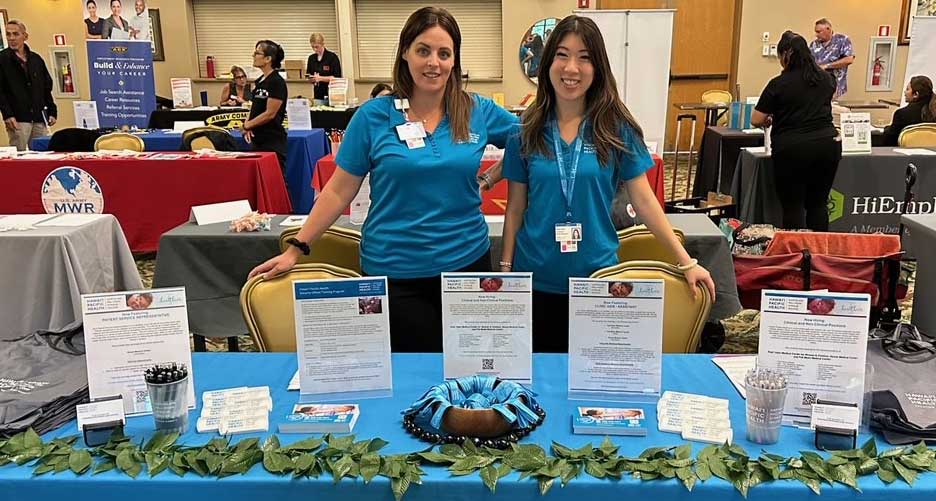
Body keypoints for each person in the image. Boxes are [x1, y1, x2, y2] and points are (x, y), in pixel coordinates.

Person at [249, 7, 518, 353]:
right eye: (423, 50)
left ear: (454, 61)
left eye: (444, 53)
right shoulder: (374, 117)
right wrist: (296, 248)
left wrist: (492, 177)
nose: (433, 62)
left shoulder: (477, 110)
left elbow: (532, 139)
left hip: (466, 266)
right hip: (395, 272)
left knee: (465, 375)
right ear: (405, 52)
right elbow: (338, 190)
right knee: (405, 381)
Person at [501, 15, 714, 353]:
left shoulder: (615, 128)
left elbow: (645, 202)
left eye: (584, 57)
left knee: (595, 383)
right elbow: (515, 209)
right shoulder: (523, 132)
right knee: (540, 385)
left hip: (598, 282)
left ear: (597, 67)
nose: (572, 67)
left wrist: (686, 262)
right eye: (562, 54)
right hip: (536, 282)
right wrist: (506, 272)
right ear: (547, 62)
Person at [752, 31, 840, 232]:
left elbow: (756, 119)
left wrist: (771, 118)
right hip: (828, 145)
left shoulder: (779, 84)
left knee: (793, 206)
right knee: (818, 204)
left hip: (793, 148)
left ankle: (799, 255)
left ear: (785, 55)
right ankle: (819, 254)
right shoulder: (826, 79)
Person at [0, 20, 57, 151]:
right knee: (18, 155)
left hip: (38, 117)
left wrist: (52, 111)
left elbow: (46, 87)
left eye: (16, 34)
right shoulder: (2, 59)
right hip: (18, 118)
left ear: (25, 36)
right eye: (8, 35)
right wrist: (7, 115)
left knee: (42, 154)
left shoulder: (36, 59)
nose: (12, 38)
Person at [242, 40, 288, 172]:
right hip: (258, 139)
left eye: (257, 53)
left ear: (268, 59)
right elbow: (254, 107)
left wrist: (247, 125)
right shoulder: (259, 81)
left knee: (275, 178)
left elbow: (270, 113)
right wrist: (248, 123)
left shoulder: (276, 82)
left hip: (272, 140)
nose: (253, 55)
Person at [882, 76, 935, 146]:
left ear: (916, 94)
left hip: (905, 156)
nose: (905, 92)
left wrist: (886, 129)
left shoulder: (901, 114)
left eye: (907, 89)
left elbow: (889, 141)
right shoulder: (933, 111)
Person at [809, 18, 854, 99]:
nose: (816, 35)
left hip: (836, 88)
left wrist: (827, 66)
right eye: (816, 32)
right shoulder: (814, 44)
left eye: (819, 32)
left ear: (828, 29)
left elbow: (849, 59)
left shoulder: (842, 40)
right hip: (818, 88)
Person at [306, 33, 342, 102]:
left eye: (317, 47)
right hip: (317, 94)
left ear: (322, 44)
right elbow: (309, 75)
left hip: (331, 94)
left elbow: (336, 78)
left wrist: (320, 78)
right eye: (313, 47)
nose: (315, 49)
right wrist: (312, 79)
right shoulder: (311, 58)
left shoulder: (332, 57)